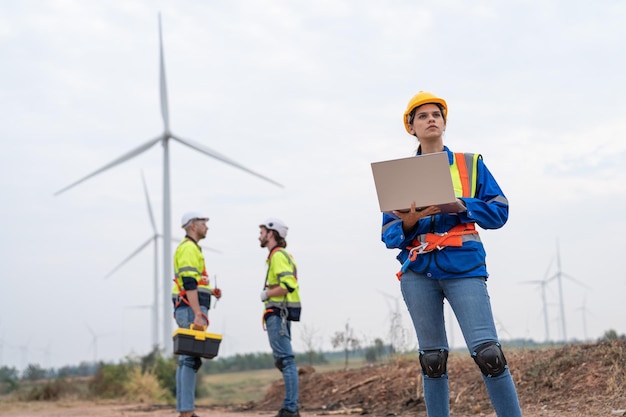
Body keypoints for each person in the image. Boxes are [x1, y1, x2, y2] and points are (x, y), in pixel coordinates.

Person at [380, 91, 522, 416]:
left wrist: (462, 205)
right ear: (411, 127)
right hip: (418, 272)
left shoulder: (470, 165)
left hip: (464, 266)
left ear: (444, 123)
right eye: (422, 116)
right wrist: (409, 223)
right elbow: (388, 234)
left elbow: (500, 211)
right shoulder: (397, 175)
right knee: (432, 360)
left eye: (436, 115)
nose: (431, 119)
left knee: (489, 354)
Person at [172, 211, 222, 417]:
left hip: (189, 307)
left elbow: (195, 281)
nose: (207, 227)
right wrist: (197, 314)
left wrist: (210, 291)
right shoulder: (188, 249)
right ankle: (187, 413)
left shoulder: (192, 249)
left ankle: (186, 411)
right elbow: (188, 283)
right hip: (190, 309)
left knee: (187, 360)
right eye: (203, 223)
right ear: (193, 225)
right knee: (190, 360)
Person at [258, 218, 301, 417]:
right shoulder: (280, 256)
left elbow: (288, 284)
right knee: (284, 360)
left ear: (272, 234)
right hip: (280, 313)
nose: (260, 235)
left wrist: (267, 294)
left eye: (262, 231)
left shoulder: (278, 256)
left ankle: (290, 408)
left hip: (278, 313)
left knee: (285, 360)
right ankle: (291, 406)